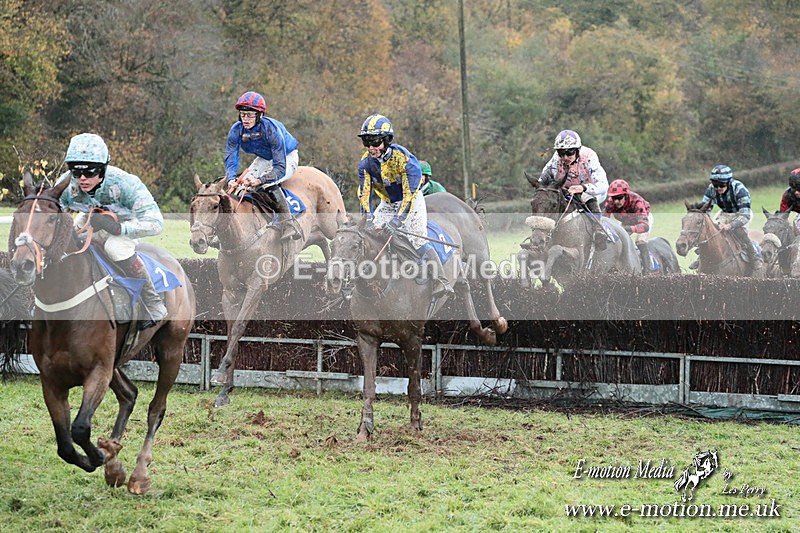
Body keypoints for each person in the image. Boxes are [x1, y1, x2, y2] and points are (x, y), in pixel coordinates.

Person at [59, 133, 167, 329]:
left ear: (103, 169)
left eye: (90, 172)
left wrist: (118, 228)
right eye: (76, 172)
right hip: (91, 215)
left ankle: (153, 302)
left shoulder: (126, 184)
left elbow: (156, 223)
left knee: (115, 248)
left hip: (126, 222)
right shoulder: (67, 183)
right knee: (67, 242)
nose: (82, 179)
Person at [356, 114, 453, 296]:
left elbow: (408, 196)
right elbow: (364, 194)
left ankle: (441, 280)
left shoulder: (405, 160)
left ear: (386, 140)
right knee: (370, 233)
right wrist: (368, 218)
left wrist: (397, 221)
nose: (371, 147)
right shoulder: (365, 164)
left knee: (418, 238)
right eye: (366, 142)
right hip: (387, 202)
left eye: (375, 142)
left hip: (411, 200)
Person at [224, 90, 301, 240]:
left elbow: (279, 168)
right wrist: (231, 178)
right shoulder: (236, 130)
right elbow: (231, 157)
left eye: (250, 115)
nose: (245, 119)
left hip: (286, 156)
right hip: (264, 158)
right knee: (238, 186)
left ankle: (289, 224)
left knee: (267, 184)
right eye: (242, 114)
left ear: (260, 115)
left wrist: (260, 180)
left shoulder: (271, 129)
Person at [533, 129, 609, 250]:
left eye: (569, 153)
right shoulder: (556, 159)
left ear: (577, 150)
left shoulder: (589, 156)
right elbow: (543, 179)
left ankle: (598, 231)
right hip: (567, 190)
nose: (565, 157)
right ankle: (538, 237)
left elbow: (603, 185)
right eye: (561, 153)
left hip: (590, 189)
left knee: (587, 197)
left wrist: (583, 188)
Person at [690, 164, 762, 274]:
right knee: (710, 231)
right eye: (715, 185)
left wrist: (730, 226)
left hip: (741, 214)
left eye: (722, 185)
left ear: (728, 182)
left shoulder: (740, 189)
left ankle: (754, 258)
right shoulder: (711, 189)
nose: (718, 188)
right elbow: (705, 209)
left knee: (739, 232)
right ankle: (701, 258)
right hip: (724, 213)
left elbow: (745, 216)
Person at [603, 179, 653, 269]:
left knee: (640, 241)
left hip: (643, 220)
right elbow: (603, 219)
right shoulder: (610, 202)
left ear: (626, 195)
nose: (616, 201)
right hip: (626, 221)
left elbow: (645, 226)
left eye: (619, 198)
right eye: (614, 198)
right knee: (617, 240)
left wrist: (628, 229)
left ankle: (647, 270)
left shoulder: (637, 201)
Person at [778, 167, 800, 234]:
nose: (796, 192)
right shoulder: (787, 196)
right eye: (794, 188)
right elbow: (783, 218)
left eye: (799, 189)